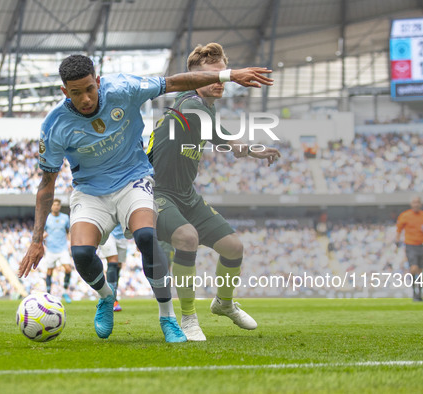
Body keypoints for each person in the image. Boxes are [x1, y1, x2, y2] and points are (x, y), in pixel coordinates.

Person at [17, 54, 273, 343]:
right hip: (90, 191)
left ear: (98, 81)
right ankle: (106, 297)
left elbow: (175, 82)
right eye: (76, 93)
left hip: (133, 180)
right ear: (65, 92)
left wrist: (227, 75)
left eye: (90, 89)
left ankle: (168, 317)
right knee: (81, 255)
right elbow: (46, 183)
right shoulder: (54, 126)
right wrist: (36, 240)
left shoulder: (124, 88)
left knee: (147, 238)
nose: (86, 98)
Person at [147, 43, 281, 341]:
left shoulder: (207, 107)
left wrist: (251, 150)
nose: (220, 82)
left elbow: (222, 140)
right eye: (213, 77)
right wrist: (240, 145)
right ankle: (188, 317)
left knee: (234, 247)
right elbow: (217, 132)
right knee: (187, 238)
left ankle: (223, 303)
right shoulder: (187, 102)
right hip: (155, 193)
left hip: (186, 194)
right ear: (196, 79)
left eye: (222, 75)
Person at [396, 196, 423, 302]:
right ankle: (414, 293)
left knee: (421, 271)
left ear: (420, 204)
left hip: (420, 245)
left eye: (418, 202)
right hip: (410, 245)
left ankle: (420, 294)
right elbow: (399, 229)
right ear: (411, 204)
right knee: (413, 268)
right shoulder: (405, 216)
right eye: (414, 202)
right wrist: (397, 242)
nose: (416, 204)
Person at [42, 198, 73, 303]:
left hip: (62, 248)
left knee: (68, 269)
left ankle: (64, 291)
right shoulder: (47, 218)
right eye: (54, 205)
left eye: (58, 205)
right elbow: (43, 231)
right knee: (50, 271)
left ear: (60, 206)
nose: (56, 207)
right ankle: (48, 293)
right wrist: (43, 236)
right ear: (51, 206)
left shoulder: (65, 218)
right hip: (51, 248)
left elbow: (68, 231)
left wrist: (69, 242)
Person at [98, 224, 128, 311]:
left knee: (118, 265)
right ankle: (112, 299)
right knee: (112, 263)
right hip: (108, 233)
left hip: (122, 235)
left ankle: (113, 296)